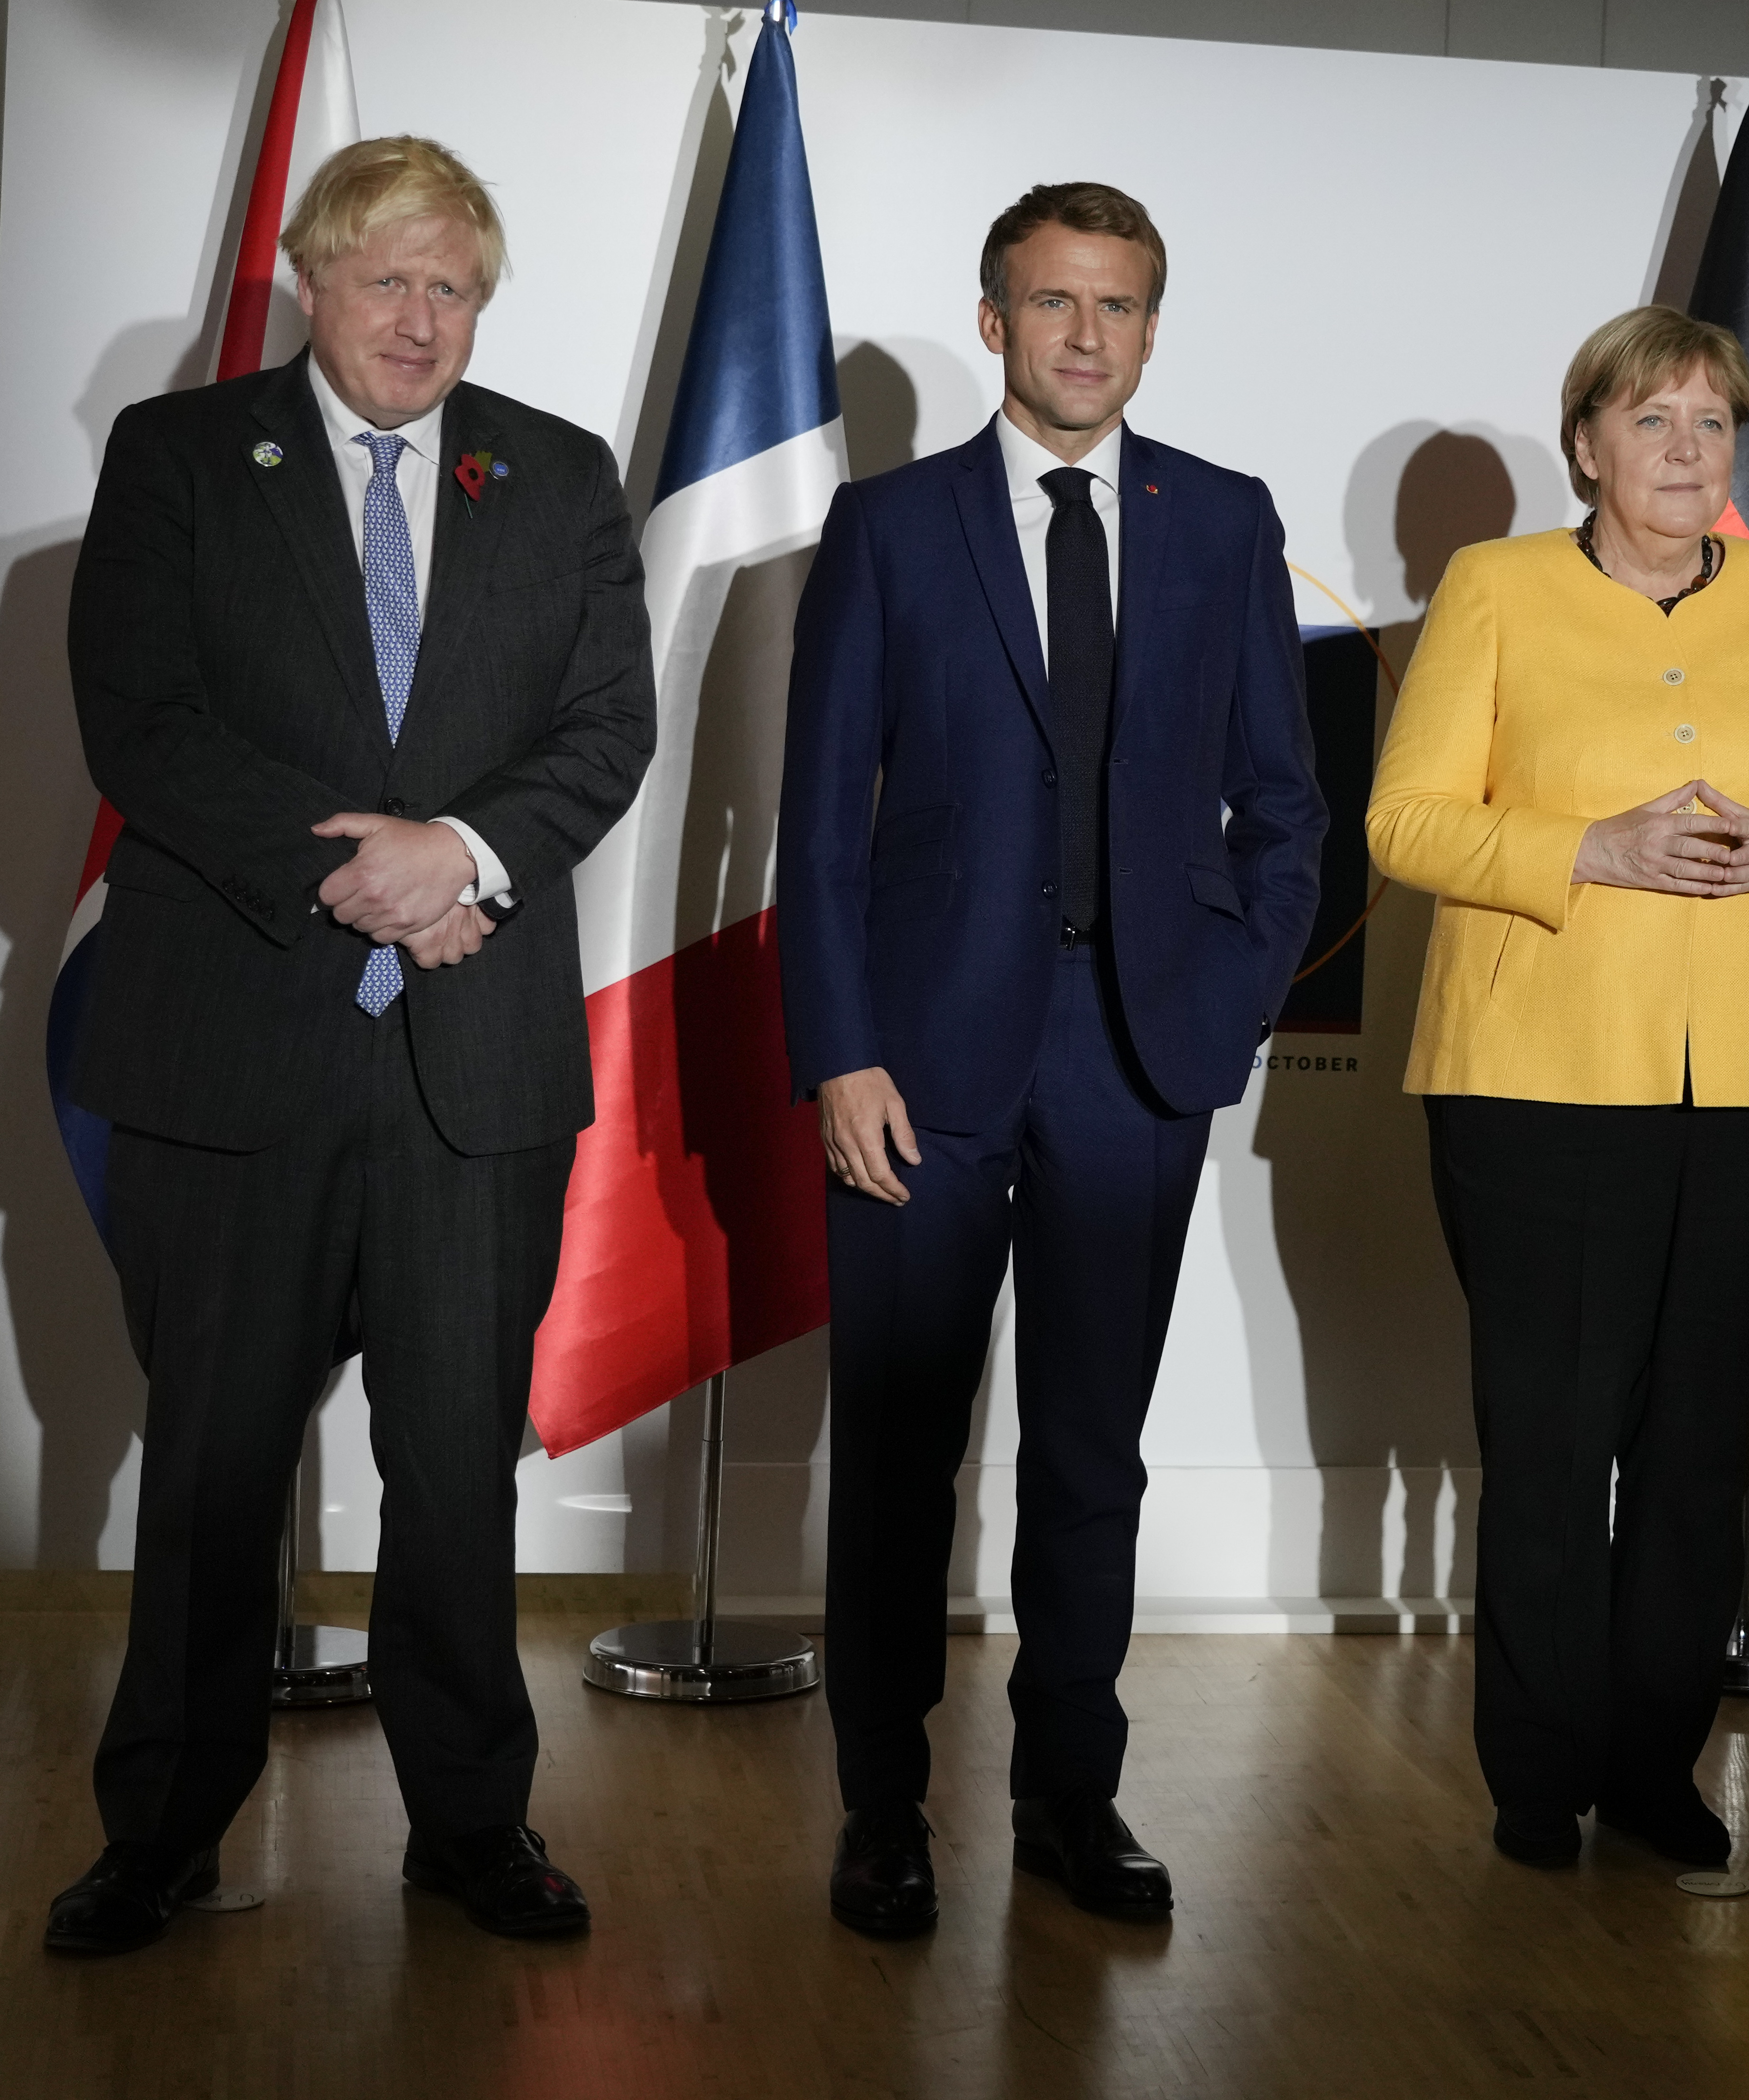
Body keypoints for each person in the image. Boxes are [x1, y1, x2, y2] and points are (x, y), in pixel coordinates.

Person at [45, 137, 655, 1954]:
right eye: (388, 279)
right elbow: (141, 725)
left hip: (473, 1073)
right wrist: (375, 877)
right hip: (235, 1053)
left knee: (459, 1468)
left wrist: (457, 856)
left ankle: (472, 1822)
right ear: (314, 279)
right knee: (218, 1461)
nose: (420, 317)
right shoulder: (179, 461)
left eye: (453, 285)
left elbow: (605, 728)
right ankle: (161, 1827)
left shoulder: (555, 474)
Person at [779, 181, 1324, 1935]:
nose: (1084, 334)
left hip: (1136, 1061)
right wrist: (841, 1050)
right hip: (921, 1068)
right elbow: (818, 830)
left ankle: (1069, 1799)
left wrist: (1231, 1003)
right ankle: (881, 1812)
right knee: (897, 1453)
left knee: (1095, 1457)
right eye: (1051, 302)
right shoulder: (889, 524)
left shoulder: (1224, 521)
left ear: (1151, 328)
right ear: (996, 316)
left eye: (1116, 306)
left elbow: (1288, 809)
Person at [1363, 305, 1749, 1875]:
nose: (1684, 451)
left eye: (1711, 424)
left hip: (1741, 1080)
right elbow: (1403, 821)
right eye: (1650, 421)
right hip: (1531, 1081)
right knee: (1550, 1432)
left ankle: (1654, 1761)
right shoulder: (1497, 589)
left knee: (1693, 1444)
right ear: (1584, 442)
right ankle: (1535, 1770)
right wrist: (1582, 848)